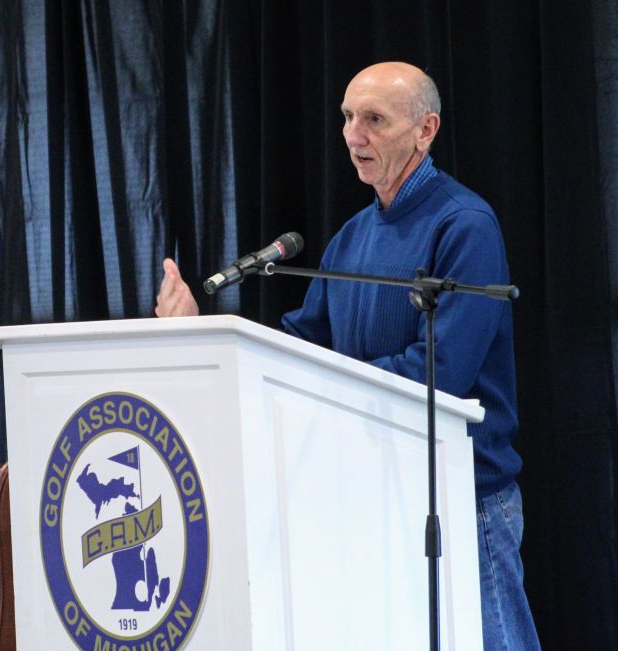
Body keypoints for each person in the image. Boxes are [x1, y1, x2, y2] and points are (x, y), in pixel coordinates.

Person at [155, 61, 540, 651]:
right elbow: (298, 348)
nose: (352, 136)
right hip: (372, 493)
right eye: (347, 118)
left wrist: (332, 388)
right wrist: (202, 333)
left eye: (373, 120)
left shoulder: (464, 226)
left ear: (425, 130)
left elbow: (440, 371)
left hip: (467, 501)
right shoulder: (352, 235)